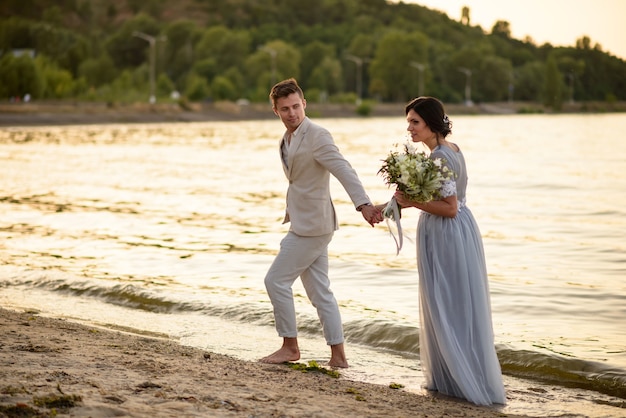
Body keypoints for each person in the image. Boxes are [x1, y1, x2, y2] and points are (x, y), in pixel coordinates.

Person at [382, 97, 506, 405]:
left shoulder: (439, 157)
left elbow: (448, 208)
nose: (409, 128)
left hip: (446, 232)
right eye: (408, 121)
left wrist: (411, 202)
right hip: (457, 229)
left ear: (431, 124)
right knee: (452, 303)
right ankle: (452, 379)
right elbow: (448, 202)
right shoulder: (452, 150)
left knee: (447, 303)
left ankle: (461, 380)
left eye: (415, 122)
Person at [260, 78, 382, 368]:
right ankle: (339, 357)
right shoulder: (286, 139)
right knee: (321, 293)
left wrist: (363, 204)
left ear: (305, 104)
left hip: (313, 226)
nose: (292, 113)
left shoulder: (317, 134)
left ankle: (290, 347)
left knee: (275, 281)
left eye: (296, 106)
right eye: (285, 109)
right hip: (304, 221)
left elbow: (343, 169)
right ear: (276, 111)